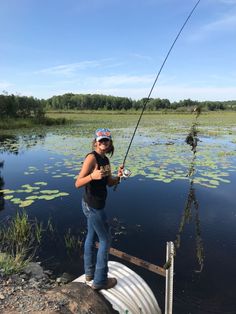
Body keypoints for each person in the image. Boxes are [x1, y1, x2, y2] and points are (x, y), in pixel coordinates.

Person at [75, 128, 123, 290]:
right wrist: (91, 176)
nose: (103, 143)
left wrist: (119, 177)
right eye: (100, 140)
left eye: (106, 140)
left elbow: (109, 182)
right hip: (92, 206)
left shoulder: (105, 161)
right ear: (95, 142)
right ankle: (100, 281)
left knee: (91, 234)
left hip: (96, 204)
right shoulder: (91, 158)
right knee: (105, 240)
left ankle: (89, 274)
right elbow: (78, 183)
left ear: (110, 143)